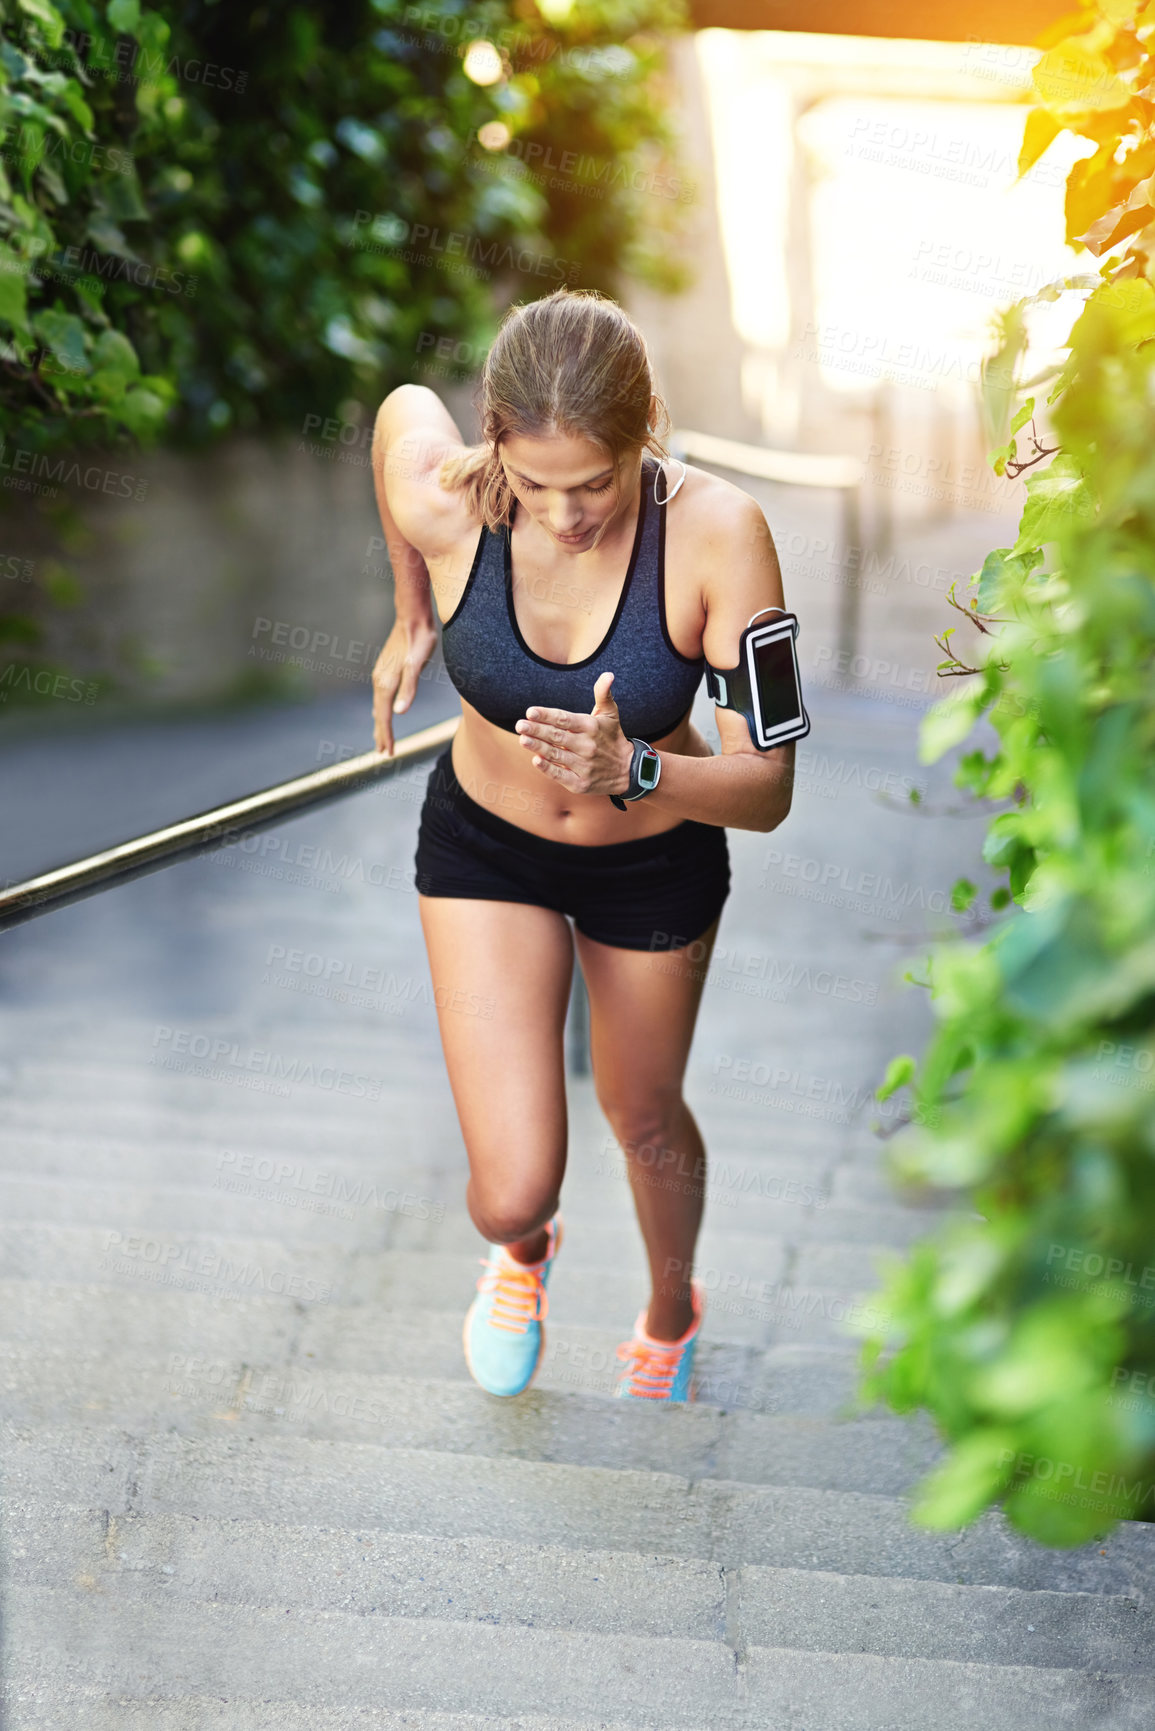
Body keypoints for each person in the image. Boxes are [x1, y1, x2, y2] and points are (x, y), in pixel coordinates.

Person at [368, 287, 794, 1402]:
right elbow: (398, 412)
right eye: (537, 481)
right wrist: (413, 607)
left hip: (654, 860)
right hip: (485, 853)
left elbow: (770, 790)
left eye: (596, 481)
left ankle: (670, 1307)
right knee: (510, 1190)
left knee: (640, 1110)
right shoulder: (453, 499)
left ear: (646, 425)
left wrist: (635, 768)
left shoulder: (723, 535)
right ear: (494, 437)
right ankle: (522, 1255)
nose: (564, 514)